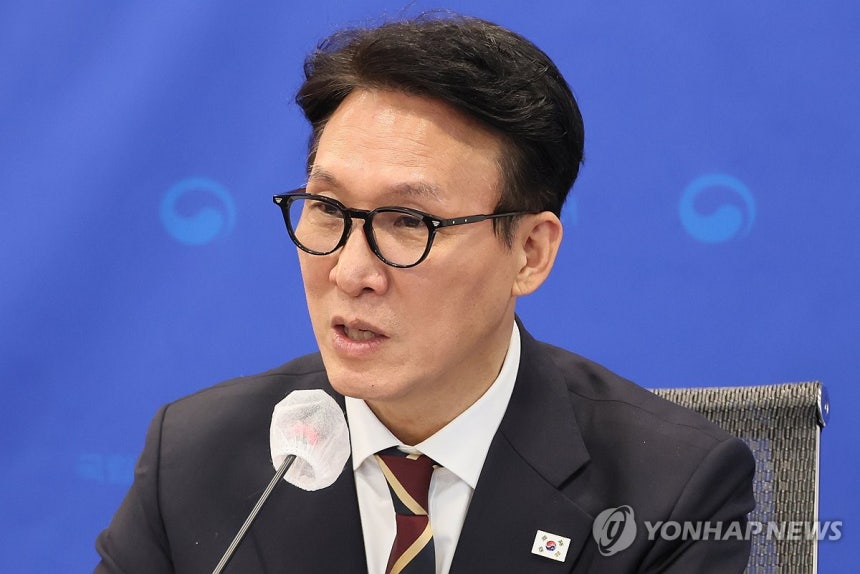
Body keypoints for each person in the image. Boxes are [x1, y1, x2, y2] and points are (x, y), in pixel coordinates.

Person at [95, 12, 755, 573]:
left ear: (530, 253)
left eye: (409, 221)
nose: (351, 271)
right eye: (327, 208)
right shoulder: (195, 458)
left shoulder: (670, 489)